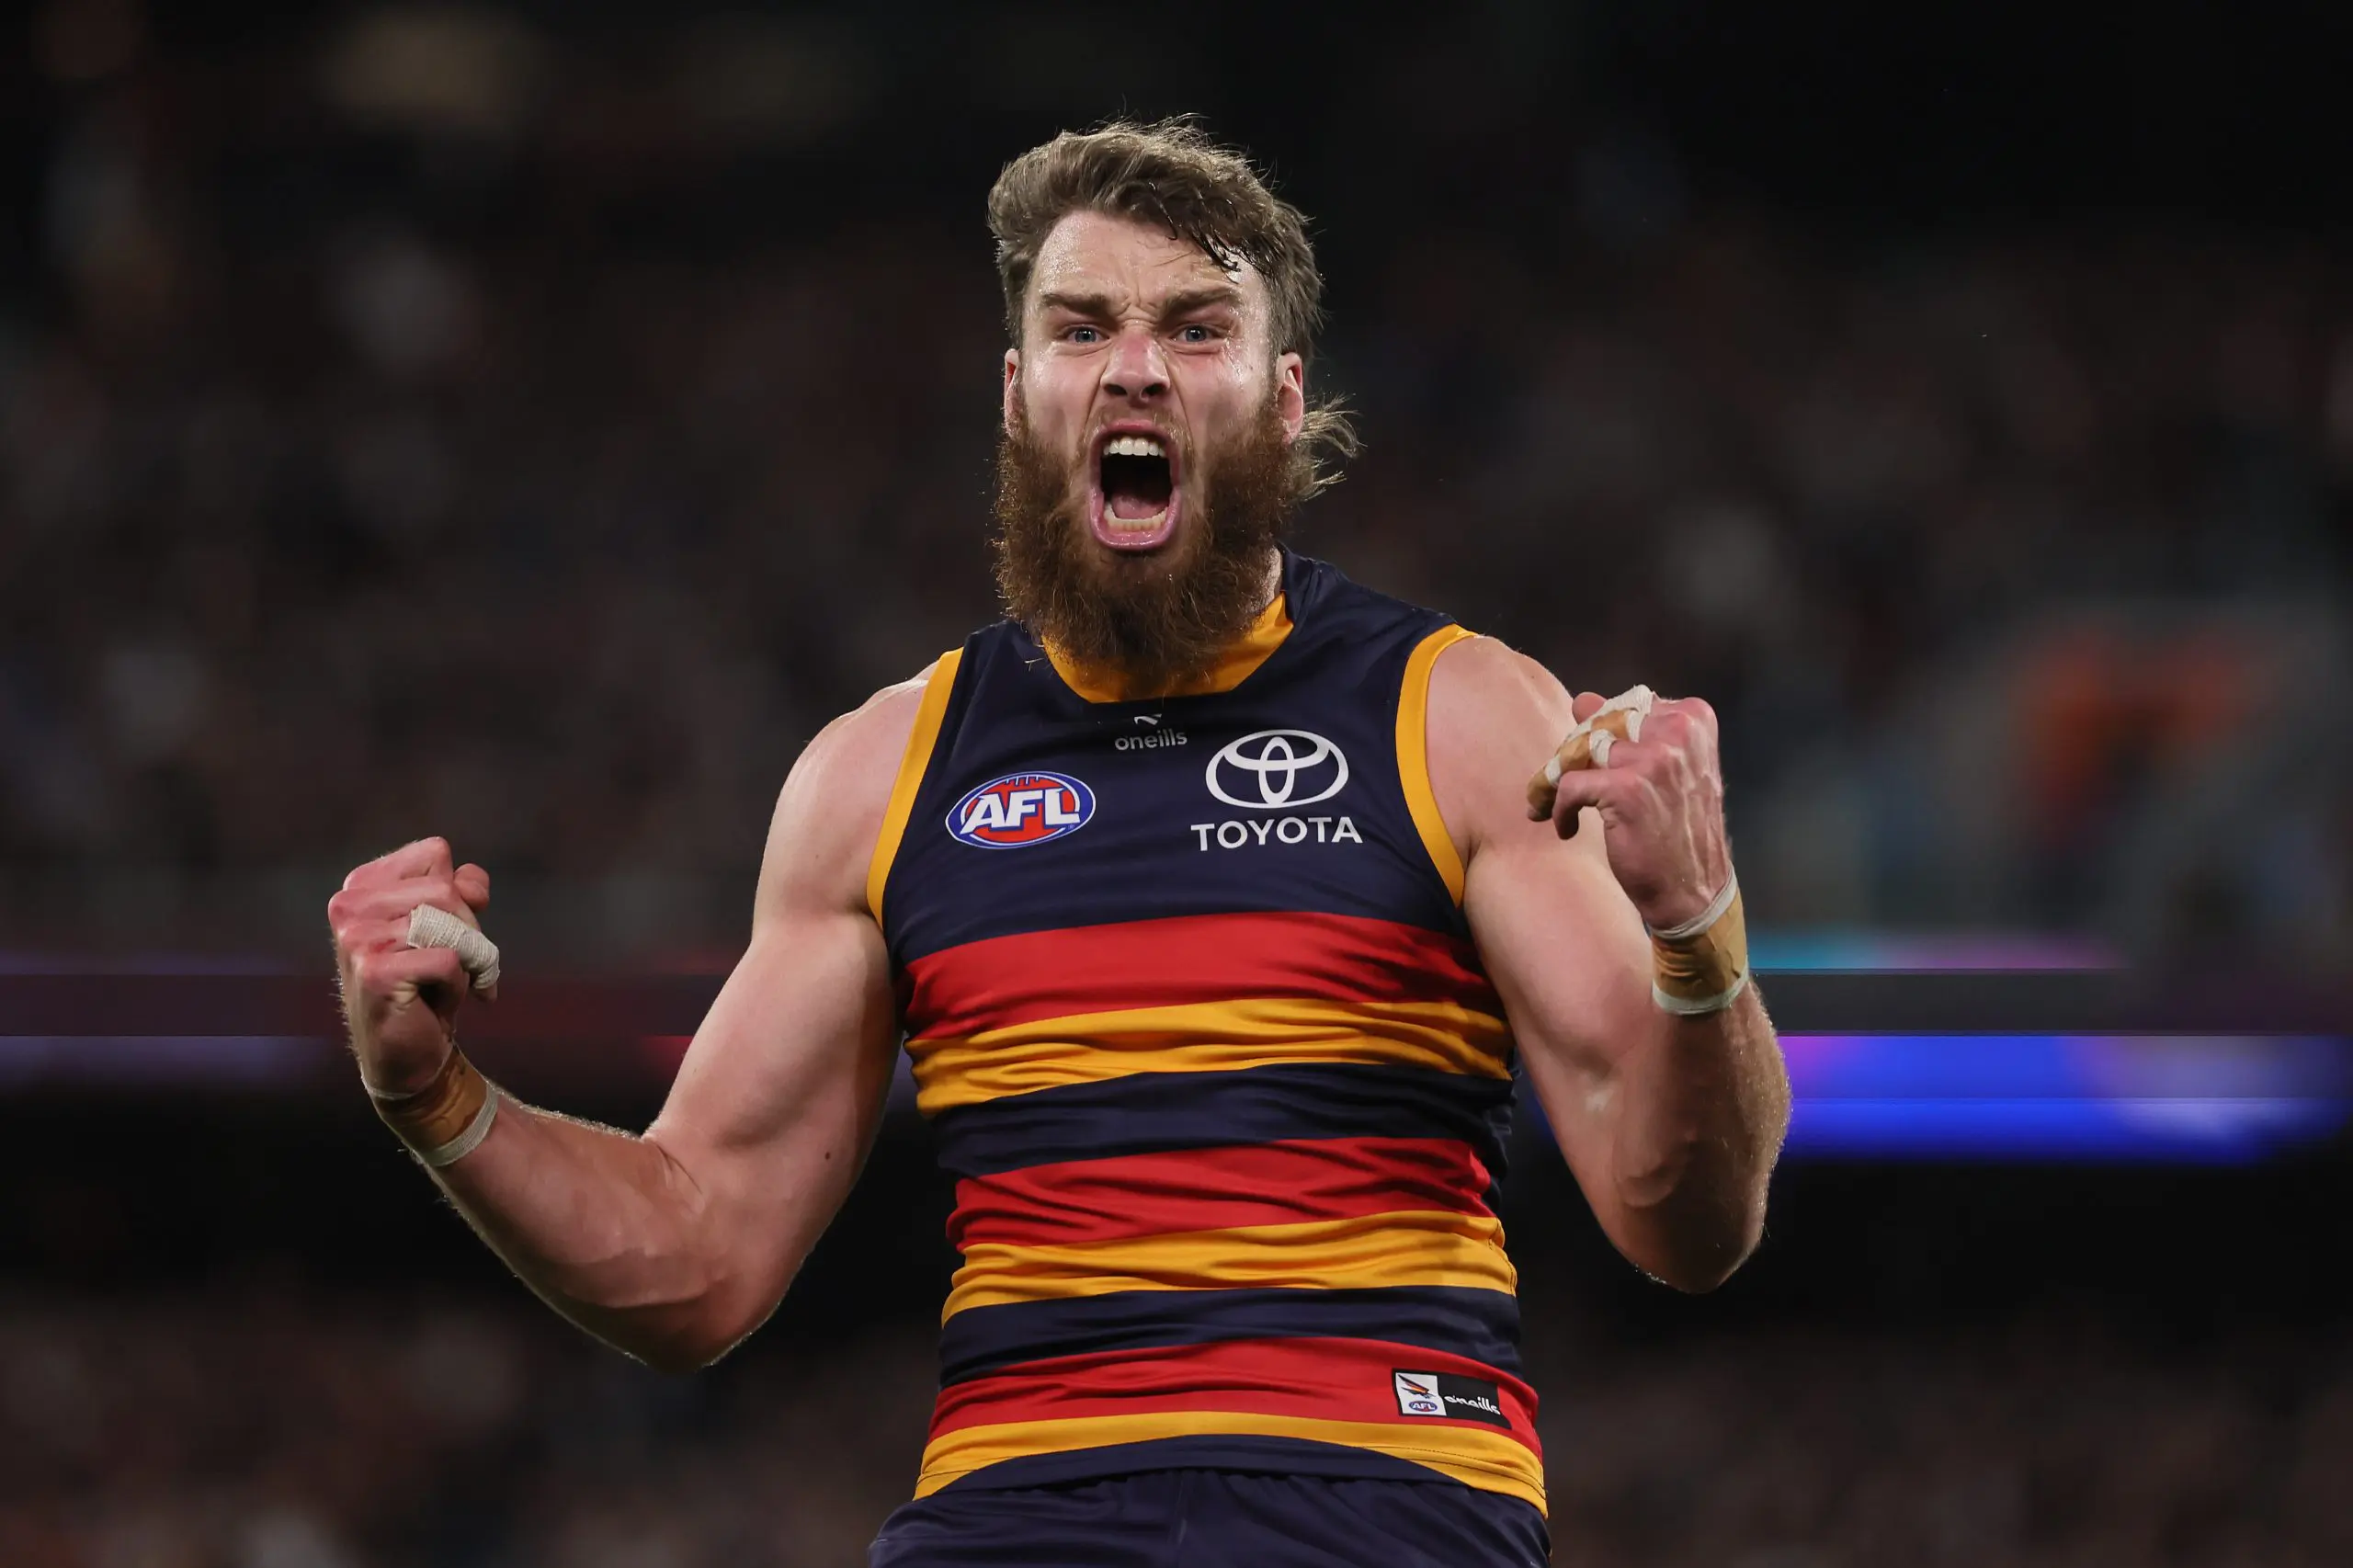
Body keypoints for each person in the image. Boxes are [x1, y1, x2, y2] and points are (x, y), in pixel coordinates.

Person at [327, 119, 1790, 1566]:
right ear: (1020, 395)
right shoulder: (881, 774)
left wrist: (1697, 930)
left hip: (1383, 1492)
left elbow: (1687, 1221)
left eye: (1196, 328)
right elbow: (700, 1252)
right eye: (1082, 328)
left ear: (1284, 401)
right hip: (1015, 1512)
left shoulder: (1460, 718)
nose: (1134, 366)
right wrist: (435, 1096)